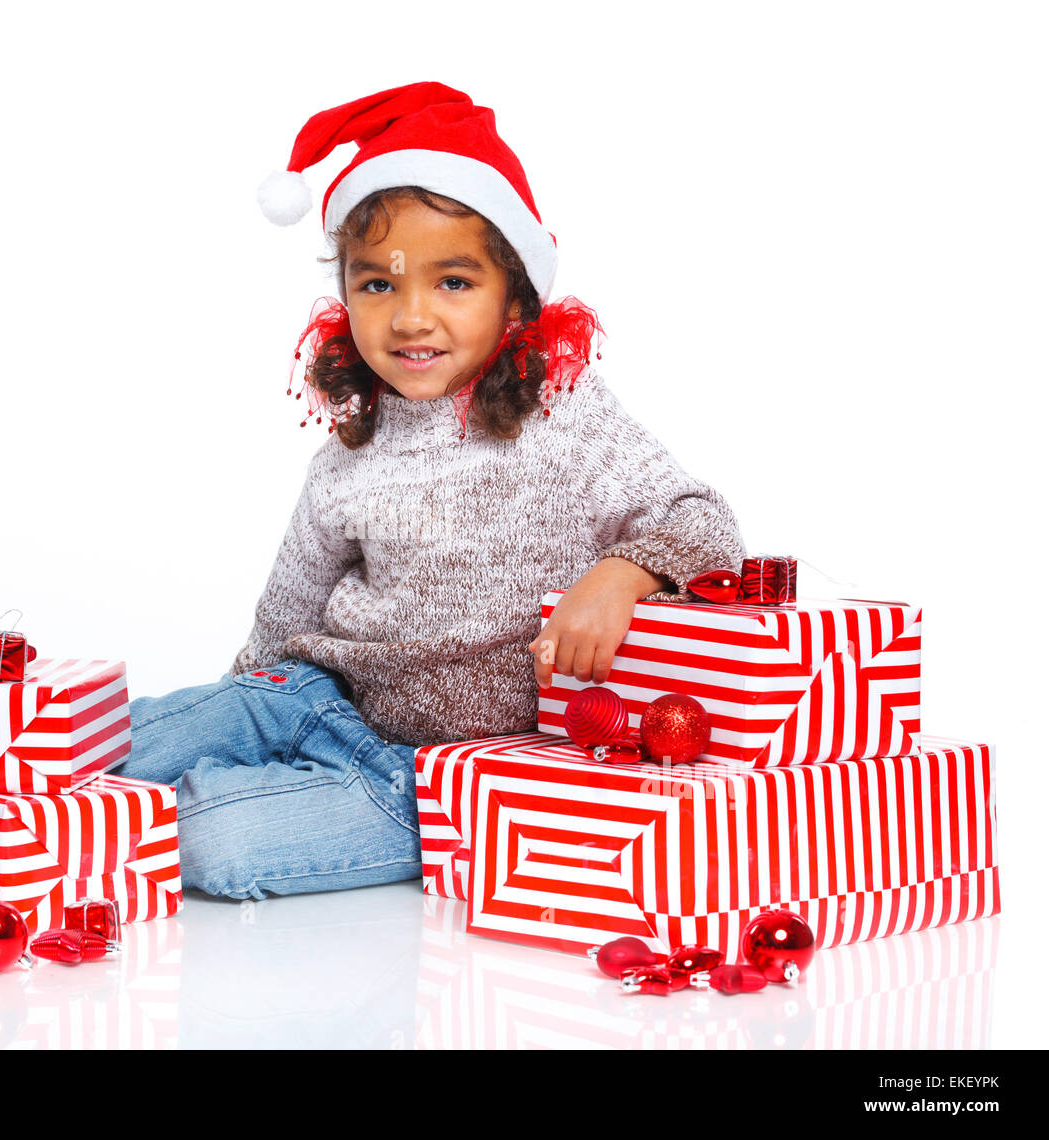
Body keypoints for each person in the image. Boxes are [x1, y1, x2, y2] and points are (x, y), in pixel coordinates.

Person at [115, 81, 746, 901]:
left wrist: (620, 576)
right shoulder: (353, 446)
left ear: (516, 298)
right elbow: (291, 604)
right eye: (379, 284)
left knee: (213, 840)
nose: (412, 318)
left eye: (453, 283)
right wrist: (241, 707)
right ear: (344, 298)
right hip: (314, 696)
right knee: (113, 748)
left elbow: (706, 523)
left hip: (423, 777)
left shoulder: (566, 417)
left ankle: (142, 826)